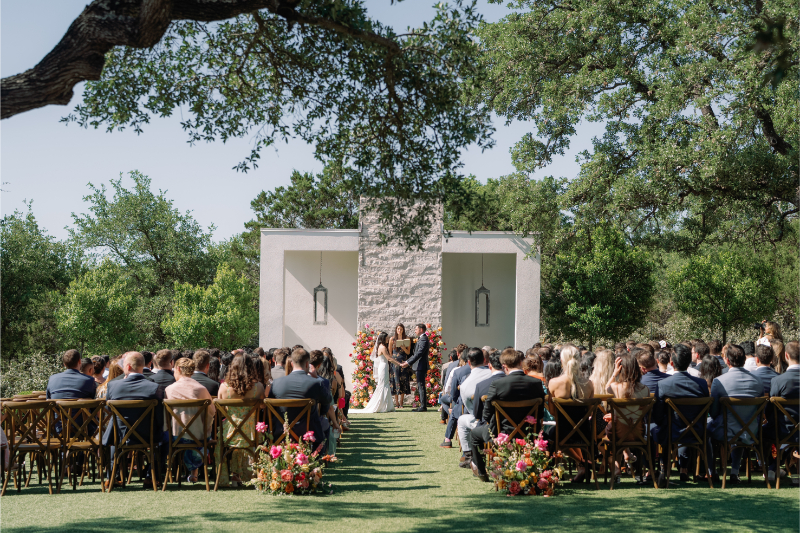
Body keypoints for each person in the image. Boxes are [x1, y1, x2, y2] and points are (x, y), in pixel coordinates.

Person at [468, 348, 546, 482]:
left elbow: (486, 414)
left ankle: (482, 473)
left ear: (504, 366)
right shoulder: (536, 383)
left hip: (502, 432)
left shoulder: (498, 384)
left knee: (473, 435)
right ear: (521, 363)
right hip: (529, 432)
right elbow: (540, 412)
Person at [103, 352, 165, 490]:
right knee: (164, 437)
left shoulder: (113, 386)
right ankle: (150, 477)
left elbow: (108, 409)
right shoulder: (154, 387)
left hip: (121, 435)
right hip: (148, 436)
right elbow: (160, 416)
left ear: (128, 366)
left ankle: (113, 475)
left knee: (114, 431)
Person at [654, 343, 711, 487]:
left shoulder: (663, 384)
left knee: (653, 428)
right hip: (698, 432)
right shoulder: (702, 384)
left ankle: (661, 469)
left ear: (671, 363)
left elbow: (658, 414)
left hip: (671, 433)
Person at [707, 344, 763, 484]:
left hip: (726, 431)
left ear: (727, 360)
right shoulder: (758, 382)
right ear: (745, 360)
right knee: (741, 425)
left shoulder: (719, 381)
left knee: (705, 429)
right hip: (752, 432)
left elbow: (713, 413)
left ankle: (711, 472)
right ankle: (734, 472)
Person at [544, 344, 595, 482]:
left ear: (562, 361)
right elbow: (590, 411)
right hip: (585, 432)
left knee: (551, 434)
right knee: (564, 432)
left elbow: (553, 412)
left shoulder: (554, 383)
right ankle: (582, 464)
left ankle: (549, 475)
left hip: (562, 432)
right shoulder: (589, 384)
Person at [215, 352, 265, 488]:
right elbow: (261, 406)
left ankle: (231, 477)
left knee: (225, 444)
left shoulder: (224, 387)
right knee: (247, 442)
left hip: (229, 432)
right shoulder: (259, 387)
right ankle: (251, 475)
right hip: (251, 432)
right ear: (251, 367)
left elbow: (221, 409)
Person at [165, 357, 215, 483]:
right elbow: (211, 411)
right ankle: (194, 472)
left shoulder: (169, 389)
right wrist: (206, 428)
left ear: (178, 369)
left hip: (175, 435)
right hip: (198, 436)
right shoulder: (201, 389)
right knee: (199, 431)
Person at [269, 348, 332, 446]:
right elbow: (328, 400)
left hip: (282, 435)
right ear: (307, 364)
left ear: (291, 364)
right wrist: (317, 378)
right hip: (309, 436)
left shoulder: (276, 383)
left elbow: (271, 407)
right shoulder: (315, 383)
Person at [604, 355, 651, 480]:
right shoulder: (645, 390)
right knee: (622, 424)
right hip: (639, 434)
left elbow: (606, 389)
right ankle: (627, 456)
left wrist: (614, 374)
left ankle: (617, 467)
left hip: (619, 433)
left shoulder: (615, 387)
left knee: (613, 426)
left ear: (621, 369)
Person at [768, 341, 800, 483]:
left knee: (761, 433)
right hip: (791, 430)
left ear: (786, 356)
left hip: (782, 430)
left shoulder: (777, 380)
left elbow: (770, 410)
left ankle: (771, 468)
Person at [350, 332, 403, 414]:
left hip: (384, 367)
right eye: (387, 338)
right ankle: (382, 405)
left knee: (384, 385)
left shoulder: (382, 346)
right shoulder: (382, 347)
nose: (388, 339)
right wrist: (400, 364)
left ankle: (386, 405)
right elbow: (389, 358)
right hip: (383, 367)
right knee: (383, 385)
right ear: (383, 338)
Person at [455, 348, 492, 461]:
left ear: (469, 362)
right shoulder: (494, 374)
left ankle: (468, 455)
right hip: (503, 419)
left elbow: (471, 410)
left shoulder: (465, 384)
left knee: (461, 420)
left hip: (482, 421)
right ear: (485, 359)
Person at [440, 349, 472, 448]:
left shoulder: (458, 371)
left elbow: (453, 393)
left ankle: (448, 439)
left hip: (464, 404)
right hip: (482, 406)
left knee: (454, 410)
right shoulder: (485, 370)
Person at [402, 324, 430, 412]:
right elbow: (415, 354)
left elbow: (419, 354)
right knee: (420, 385)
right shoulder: (421, 339)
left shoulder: (424, 339)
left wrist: (408, 362)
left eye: (416, 329)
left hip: (420, 366)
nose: (415, 331)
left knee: (421, 386)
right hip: (418, 366)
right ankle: (422, 405)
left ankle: (423, 406)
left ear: (421, 330)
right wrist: (407, 361)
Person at [388, 323, 412, 408]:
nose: (399, 330)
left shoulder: (407, 338)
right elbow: (390, 353)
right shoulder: (392, 339)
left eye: (401, 329)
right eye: (398, 329)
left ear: (403, 330)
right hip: (395, 363)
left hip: (404, 362)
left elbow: (408, 352)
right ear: (396, 330)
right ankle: (396, 402)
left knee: (403, 381)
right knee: (396, 381)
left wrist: (403, 347)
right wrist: (393, 362)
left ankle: (401, 402)